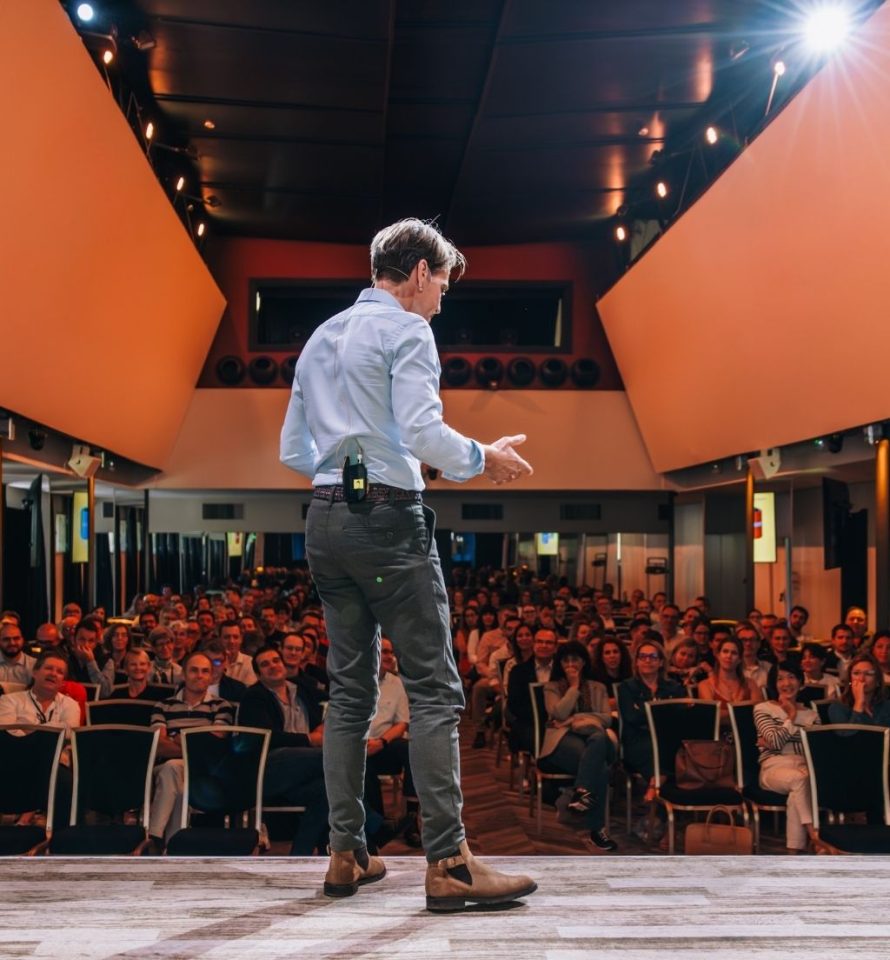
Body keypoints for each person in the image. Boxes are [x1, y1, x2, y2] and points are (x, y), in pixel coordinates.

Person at [280, 218, 536, 910]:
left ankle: (345, 855)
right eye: (443, 286)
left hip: (325, 520)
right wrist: (485, 459)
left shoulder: (321, 337)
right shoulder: (407, 331)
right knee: (434, 691)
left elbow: (294, 453)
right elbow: (422, 429)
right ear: (420, 273)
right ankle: (449, 863)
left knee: (350, 694)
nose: (442, 301)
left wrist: (366, 469)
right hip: (388, 526)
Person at [237, 646, 330, 855]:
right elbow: (266, 736)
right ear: (259, 673)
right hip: (271, 769)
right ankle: (373, 827)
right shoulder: (254, 696)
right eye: (265, 664)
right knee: (335, 757)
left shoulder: (301, 689)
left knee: (327, 791)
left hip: (305, 772)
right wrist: (309, 739)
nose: (272, 666)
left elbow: (332, 701)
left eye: (275, 660)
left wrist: (324, 725)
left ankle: (300, 856)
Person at [148, 651, 236, 850]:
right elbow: (158, 744)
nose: (199, 675)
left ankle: (158, 838)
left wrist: (179, 739)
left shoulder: (221, 706)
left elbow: (214, 744)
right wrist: (195, 742)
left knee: (177, 784)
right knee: (171, 768)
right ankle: (165, 841)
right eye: (194, 670)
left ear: (211, 676)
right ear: (183, 674)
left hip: (203, 771)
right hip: (166, 768)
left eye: (205, 671)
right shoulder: (163, 705)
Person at [539, 641, 616, 852]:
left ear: (584, 662)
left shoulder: (597, 687)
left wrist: (576, 718)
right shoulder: (552, 687)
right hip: (561, 740)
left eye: (576, 659)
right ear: (560, 663)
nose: (571, 664)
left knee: (599, 740)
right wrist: (573, 687)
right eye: (566, 660)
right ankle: (596, 829)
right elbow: (559, 713)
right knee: (599, 766)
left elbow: (607, 719)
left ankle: (581, 792)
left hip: (591, 739)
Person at [753, 662, 837, 854]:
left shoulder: (812, 714)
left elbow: (813, 745)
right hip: (773, 767)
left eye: (791, 677)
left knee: (797, 792)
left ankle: (793, 853)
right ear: (774, 684)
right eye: (780, 678)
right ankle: (815, 836)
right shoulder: (763, 708)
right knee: (800, 780)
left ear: (801, 682)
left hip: (804, 765)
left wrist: (780, 735)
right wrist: (791, 717)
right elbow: (775, 743)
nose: (786, 683)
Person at [617, 638, 685, 800]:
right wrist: (662, 714)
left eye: (653, 657)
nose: (647, 660)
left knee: (673, 749)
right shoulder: (627, 687)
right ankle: (660, 786)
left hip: (667, 739)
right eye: (643, 657)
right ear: (637, 662)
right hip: (638, 740)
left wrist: (645, 711)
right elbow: (632, 717)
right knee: (658, 750)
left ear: (661, 662)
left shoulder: (674, 687)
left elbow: (680, 718)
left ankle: (655, 785)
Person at [696, 636, 762, 723]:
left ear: (739, 659)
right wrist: (746, 712)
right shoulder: (705, 685)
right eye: (725, 651)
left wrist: (726, 714)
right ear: (718, 655)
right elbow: (713, 715)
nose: (729, 656)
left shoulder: (750, 683)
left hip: (747, 733)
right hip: (719, 734)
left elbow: (760, 713)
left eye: (734, 653)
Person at [828, 653, 890, 727]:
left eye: (869, 674)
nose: (861, 679)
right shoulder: (838, 707)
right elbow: (846, 736)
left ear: (877, 680)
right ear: (850, 679)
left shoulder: (887, 706)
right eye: (856, 673)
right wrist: (859, 703)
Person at [0, 620, 36, 685]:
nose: (12, 643)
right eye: (6, 639)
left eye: (16, 638)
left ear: (22, 640)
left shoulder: (35, 666)